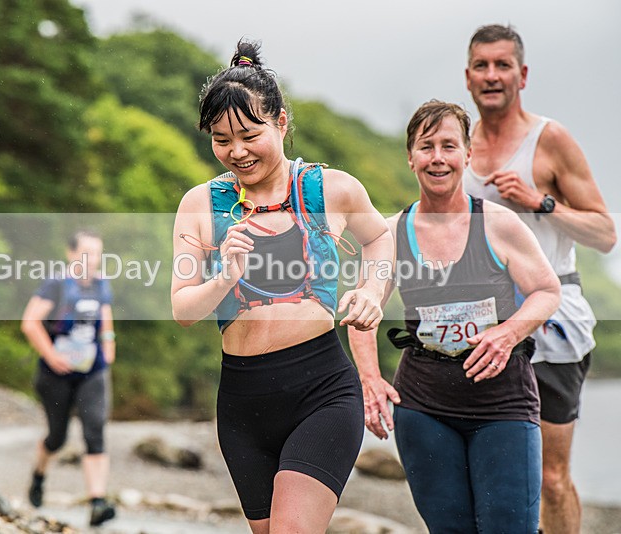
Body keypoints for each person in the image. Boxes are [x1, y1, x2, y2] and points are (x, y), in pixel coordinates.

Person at [171, 39, 393, 534]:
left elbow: (380, 239)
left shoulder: (331, 189)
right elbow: (183, 309)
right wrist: (224, 275)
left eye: (250, 135)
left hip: (322, 391)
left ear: (282, 123)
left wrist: (371, 293)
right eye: (221, 139)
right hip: (241, 403)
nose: (237, 152)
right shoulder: (200, 205)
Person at [349, 100, 562, 533]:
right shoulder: (390, 233)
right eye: (426, 147)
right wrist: (370, 379)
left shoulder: (499, 225)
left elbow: (547, 291)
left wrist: (508, 332)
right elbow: (362, 306)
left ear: (468, 155)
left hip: (503, 404)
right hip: (425, 407)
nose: (438, 158)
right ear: (411, 157)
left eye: (449, 146)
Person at [462, 24, 617, 534]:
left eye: (502, 65)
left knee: (551, 477)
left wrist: (540, 202)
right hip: (478, 324)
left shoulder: (549, 140)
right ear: (467, 77)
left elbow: (605, 234)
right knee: (482, 471)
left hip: (551, 323)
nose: (492, 75)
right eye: (481, 65)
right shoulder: (456, 145)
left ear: (522, 75)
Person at [20, 229, 117, 527]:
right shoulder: (56, 284)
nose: (92, 260)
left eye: (97, 254)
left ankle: (97, 502)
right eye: (86, 253)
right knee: (57, 437)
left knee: (95, 431)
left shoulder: (101, 284)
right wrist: (51, 356)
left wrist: (109, 343)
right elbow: (30, 321)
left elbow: (105, 316)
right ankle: (38, 476)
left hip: (92, 371)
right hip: (55, 374)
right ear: (72, 254)